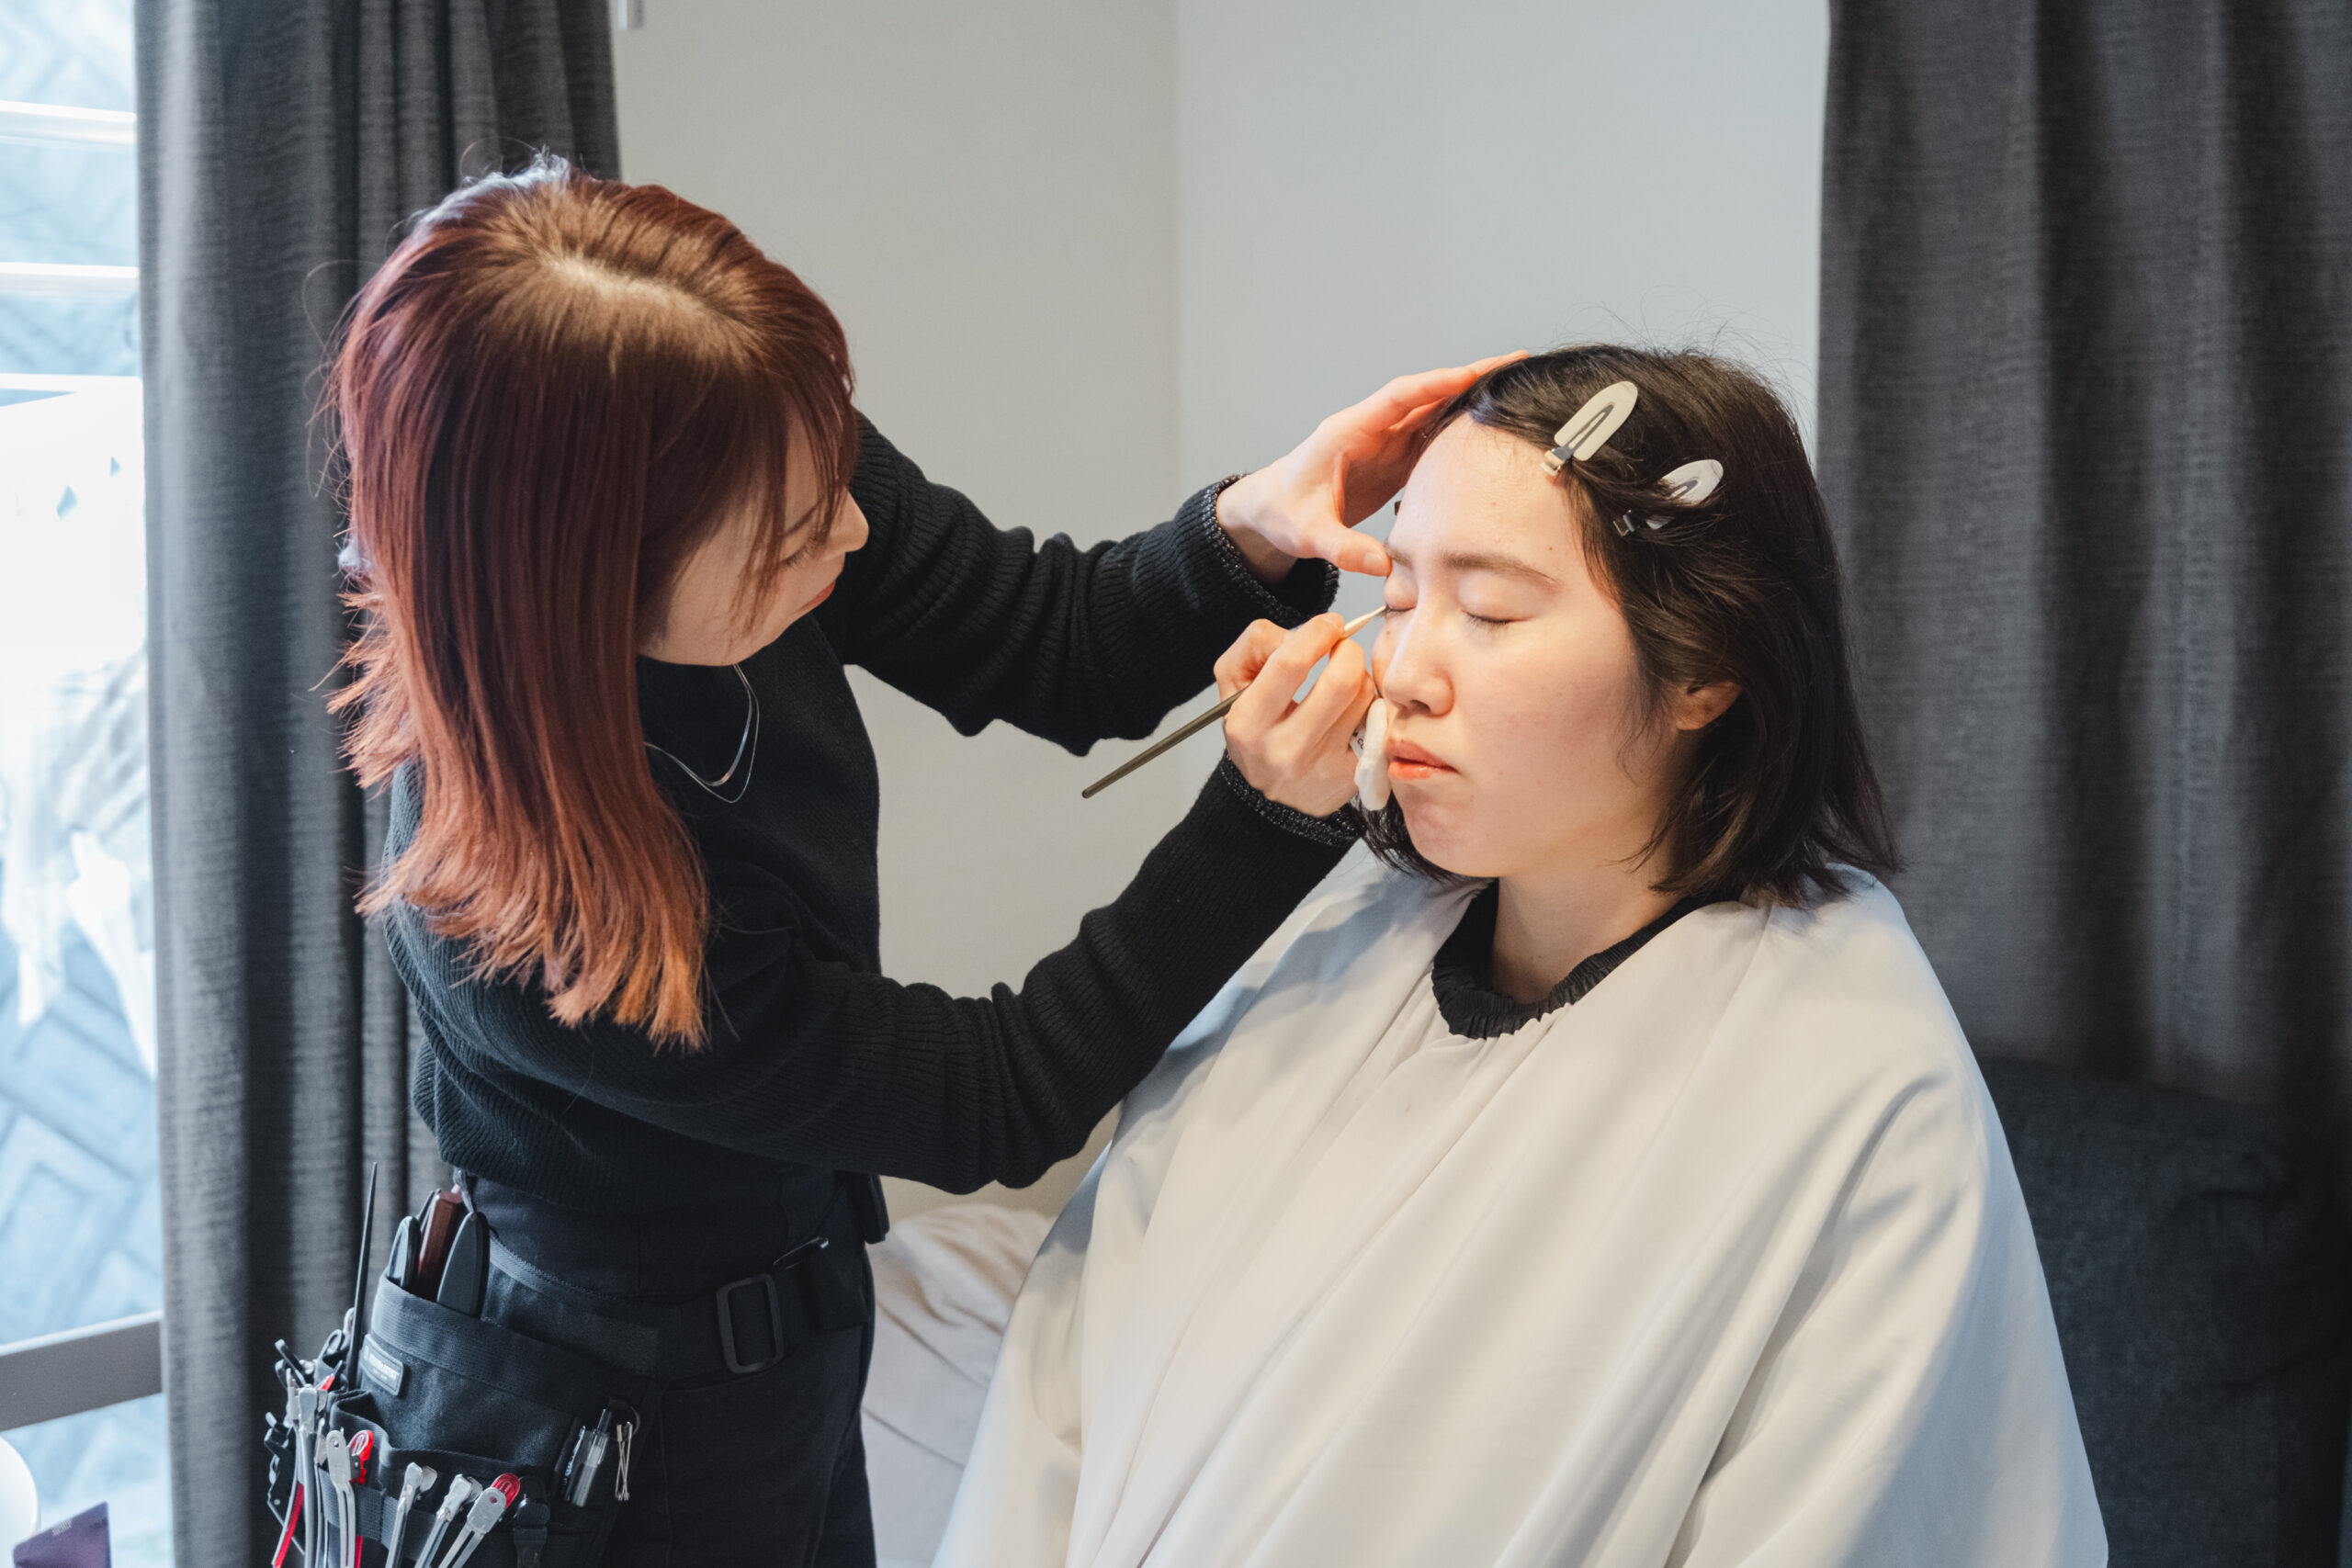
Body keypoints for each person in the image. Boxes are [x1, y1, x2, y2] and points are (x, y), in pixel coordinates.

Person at [328, 156, 1498, 1566]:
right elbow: (987, 1097)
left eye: (835, 473)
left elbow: (1052, 638)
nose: (850, 531)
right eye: (789, 539)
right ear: (589, 592)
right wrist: (1260, 816)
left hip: (803, 1313)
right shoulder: (532, 918)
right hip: (616, 1425)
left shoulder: (748, 428)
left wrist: (1252, 523)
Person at [937, 346, 2109, 1567]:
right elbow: (1068, 1383)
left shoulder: (1852, 1087)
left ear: (1706, 667)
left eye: (1491, 613)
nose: (1403, 672)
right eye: (1399, 599)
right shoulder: (1334, 948)